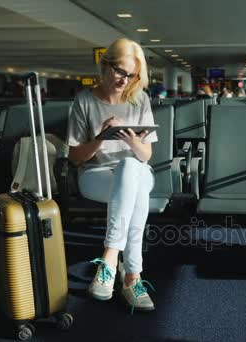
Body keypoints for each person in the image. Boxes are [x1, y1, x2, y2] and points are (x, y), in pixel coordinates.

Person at [67, 38, 158, 313]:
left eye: (132, 75)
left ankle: (109, 258)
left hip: (137, 171)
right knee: (133, 185)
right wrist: (100, 137)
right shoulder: (84, 101)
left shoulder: (140, 99)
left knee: (131, 167)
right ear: (105, 65)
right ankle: (132, 277)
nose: (124, 80)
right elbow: (75, 157)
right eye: (120, 71)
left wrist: (132, 142)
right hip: (96, 174)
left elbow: (146, 155)